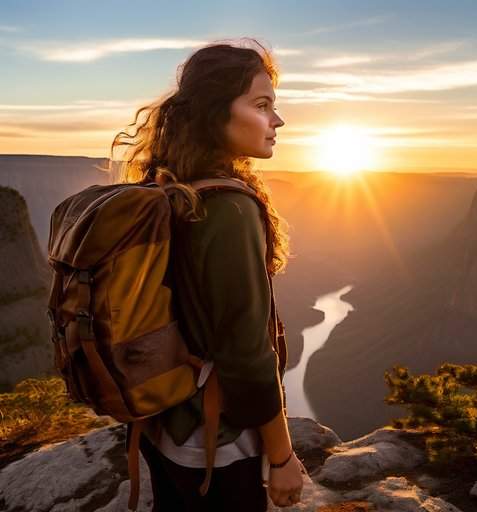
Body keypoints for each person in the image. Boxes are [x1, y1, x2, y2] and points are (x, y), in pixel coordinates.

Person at [108, 37, 305, 511]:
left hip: (161, 423)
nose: (277, 121)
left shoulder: (169, 186)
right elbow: (246, 355)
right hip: (215, 443)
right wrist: (281, 457)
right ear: (217, 112)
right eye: (262, 105)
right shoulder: (229, 210)